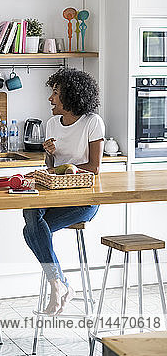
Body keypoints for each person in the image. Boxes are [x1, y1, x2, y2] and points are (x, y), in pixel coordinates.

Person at [23, 67, 105, 316]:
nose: (50, 98)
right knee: (31, 212)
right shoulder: (51, 123)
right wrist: (48, 155)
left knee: (32, 231)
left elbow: (94, 167)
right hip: (54, 196)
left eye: (55, 93)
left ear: (70, 95)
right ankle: (59, 284)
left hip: (83, 201)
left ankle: (59, 286)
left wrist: (60, 168)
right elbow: (50, 170)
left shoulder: (92, 122)